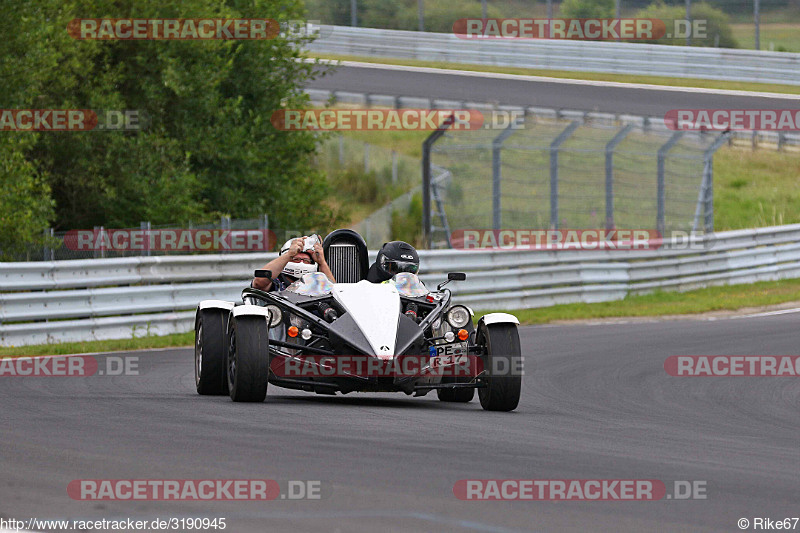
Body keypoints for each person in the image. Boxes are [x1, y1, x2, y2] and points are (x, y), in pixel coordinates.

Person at [252, 235, 336, 292]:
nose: (301, 263)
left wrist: (322, 262)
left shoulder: (317, 282)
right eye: (296, 259)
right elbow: (258, 282)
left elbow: (334, 292)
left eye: (306, 260)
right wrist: (289, 254)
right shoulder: (276, 281)